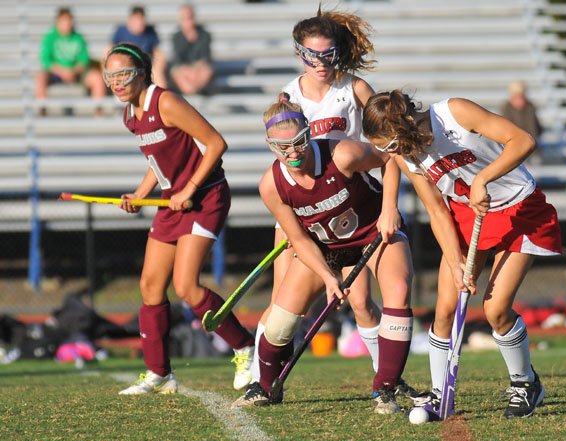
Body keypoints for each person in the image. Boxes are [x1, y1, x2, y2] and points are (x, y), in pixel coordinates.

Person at [362, 90, 562, 418]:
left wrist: (484, 178)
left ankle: (526, 384)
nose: (389, 154)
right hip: (466, 217)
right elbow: (437, 210)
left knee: (496, 309)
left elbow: (523, 140)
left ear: (402, 128)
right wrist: (455, 261)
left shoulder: (454, 113)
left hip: (518, 209)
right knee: (444, 310)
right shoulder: (405, 156)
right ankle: (441, 394)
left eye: (388, 146)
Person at [248, 7, 408, 395]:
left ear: (338, 53)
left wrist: (389, 205)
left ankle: (387, 378)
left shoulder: (353, 89)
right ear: (299, 53)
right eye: (311, 55)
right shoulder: (289, 94)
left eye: (327, 54)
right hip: (304, 208)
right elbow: (285, 149)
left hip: (350, 198)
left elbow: (387, 147)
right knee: (283, 303)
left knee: (360, 302)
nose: (320, 62)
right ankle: (259, 378)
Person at [233, 97, 414, 415]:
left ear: (309, 132)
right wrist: (330, 277)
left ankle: (385, 389)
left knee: (397, 293)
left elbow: (389, 157)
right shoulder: (271, 186)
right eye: (282, 147)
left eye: (300, 142)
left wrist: (389, 209)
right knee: (277, 326)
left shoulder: (342, 153)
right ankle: (266, 387)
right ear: (269, 144)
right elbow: (300, 239)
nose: (293, 153)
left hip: (374, 234)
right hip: (325, 249)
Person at [103, 43, 255, 394]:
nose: (117, 82)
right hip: (172, 202)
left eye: (124, 74)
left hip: (205, 196)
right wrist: (141, 194)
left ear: (142, 72)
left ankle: (245, 347)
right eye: (110, 76)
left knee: (187, 286)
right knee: (150, 286)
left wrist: (189, 189)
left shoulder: (165, 102)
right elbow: (158, 162)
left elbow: (216, 143)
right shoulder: (130, 115)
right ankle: (160, 374)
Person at [35, 7, 106, 116]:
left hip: (76, 73)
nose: (67, 24)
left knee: (97, 78)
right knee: (40, 78)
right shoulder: (50, 38)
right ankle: (42, 111)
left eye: (69, 21)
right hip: (56, 74)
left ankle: (98, 112)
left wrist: (73, 71)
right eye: (64, 21)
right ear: (58, 22)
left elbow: (84, 60)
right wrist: (62, 71)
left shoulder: (78, 38)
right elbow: (46, 60)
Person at [109, 5, 168, 88]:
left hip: (145, 66)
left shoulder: (150, 32)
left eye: (141, 19)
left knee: (157, 71)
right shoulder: (121, 31)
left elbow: (158, 51)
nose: (140, 23)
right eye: (137, 20)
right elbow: (109, 49)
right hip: (124, 66)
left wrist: (158, 65)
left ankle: (161, 97)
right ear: (130, 20)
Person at [169, 4, 214, 95]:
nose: (187, 20)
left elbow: (205, 57)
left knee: (206, 71)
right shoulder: (176, 37)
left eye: (189, 17)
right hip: (184, 71)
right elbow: (178, 60)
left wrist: (195, 69)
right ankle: (194, 91)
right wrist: (189, 70)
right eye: (184, 18)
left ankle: (193, 91)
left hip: (198, 71)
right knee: (178, 73)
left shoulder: (204, 35)